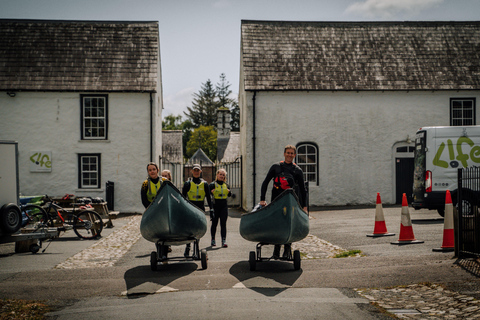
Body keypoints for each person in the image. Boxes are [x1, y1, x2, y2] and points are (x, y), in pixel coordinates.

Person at [260, 145, 308, 259]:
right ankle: (276, 251)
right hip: (276, 201)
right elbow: (265, 182)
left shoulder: (297, 170)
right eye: (288, 153)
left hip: (290, 202)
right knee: (277, 225)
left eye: (292, 153)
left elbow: (303, 190)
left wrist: (305, 207)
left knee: (288, 225)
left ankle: (287, 249)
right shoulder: (275, 167)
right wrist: (262, 199)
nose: (289, 155)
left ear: (295, 155)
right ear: (284, 153)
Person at [182, 164, 213, 257]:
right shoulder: (188, 183)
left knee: (198, 229)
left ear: (200, 171)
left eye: (198, 170)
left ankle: (196, 248)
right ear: (192, 171)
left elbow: (208, 197)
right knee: (189, 229)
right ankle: (187, 247)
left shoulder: (205, 184)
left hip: (200, 208)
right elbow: (183, 197)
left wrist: (211, 209)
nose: (196, 172)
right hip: (190, 208)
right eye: (194, 170)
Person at [209, 169, 232, 248]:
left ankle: (223, 240)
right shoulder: (212, 184)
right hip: (215, 206)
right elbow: (208, 194)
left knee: (223, 223)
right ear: (217, 175)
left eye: (223, 175)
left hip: (224, 206)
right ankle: (213, 239)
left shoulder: (226, 185)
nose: (222, 176)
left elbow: (229, 195)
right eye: (220, 174)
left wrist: (229, 192)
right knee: (214, 223)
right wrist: (211, 192)